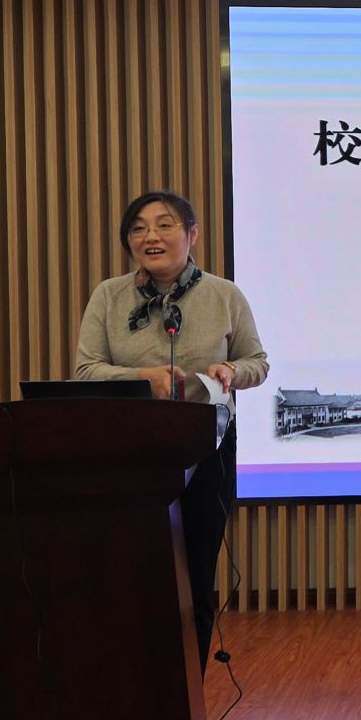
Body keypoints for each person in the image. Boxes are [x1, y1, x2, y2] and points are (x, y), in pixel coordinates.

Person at [74, 190, 268, 670]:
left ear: (192, 234)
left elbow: (257, 363)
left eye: (164, 225)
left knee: (194, 575)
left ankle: (189, 697)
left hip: (206, 447)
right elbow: (86, 371)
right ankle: (132, 690)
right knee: (130, 574)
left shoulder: (224, 295)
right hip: (127, 450)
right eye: (138, 228)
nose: (151, 236)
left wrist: (231, 370)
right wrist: (143, 377)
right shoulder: (109, 295)